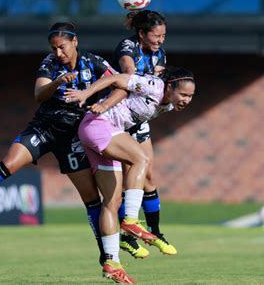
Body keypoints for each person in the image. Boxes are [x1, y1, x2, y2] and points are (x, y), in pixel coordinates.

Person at [0, 22, 117, 269]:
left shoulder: (93, 62)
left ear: (75, 42)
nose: (58, 53)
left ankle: (106, 258)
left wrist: (102, 104)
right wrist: (58, 82)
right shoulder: (50, 64)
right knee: (8, 164)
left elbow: (119, 82)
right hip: (44, 127)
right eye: (54, 48)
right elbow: (39, 94)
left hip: (73, 136)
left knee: (91, 198)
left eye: (62, 47)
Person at [65, 67, 195, 284]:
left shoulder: (169, 104)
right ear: (170, 87)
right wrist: (86, 94)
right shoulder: (154, 86)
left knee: (112, 202)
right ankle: (132, 220)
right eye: (183, 94)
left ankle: (111, 263)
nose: (187, 100)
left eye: (191, 96)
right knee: (141, 159)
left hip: (101, 133)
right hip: (99, 125)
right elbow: (116, 79)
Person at [99, 9, 175, 259]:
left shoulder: (159, 52)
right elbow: (129, 76)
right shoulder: (128, 46)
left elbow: (158, 79)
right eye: (156, 35)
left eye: (163, 35)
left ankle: (154, 232)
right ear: (142, 33)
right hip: (120, 117)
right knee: (125, 178)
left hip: (139, 119)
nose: (161, 40)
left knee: (148, 177)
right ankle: (126, 235)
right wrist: (151, 80)